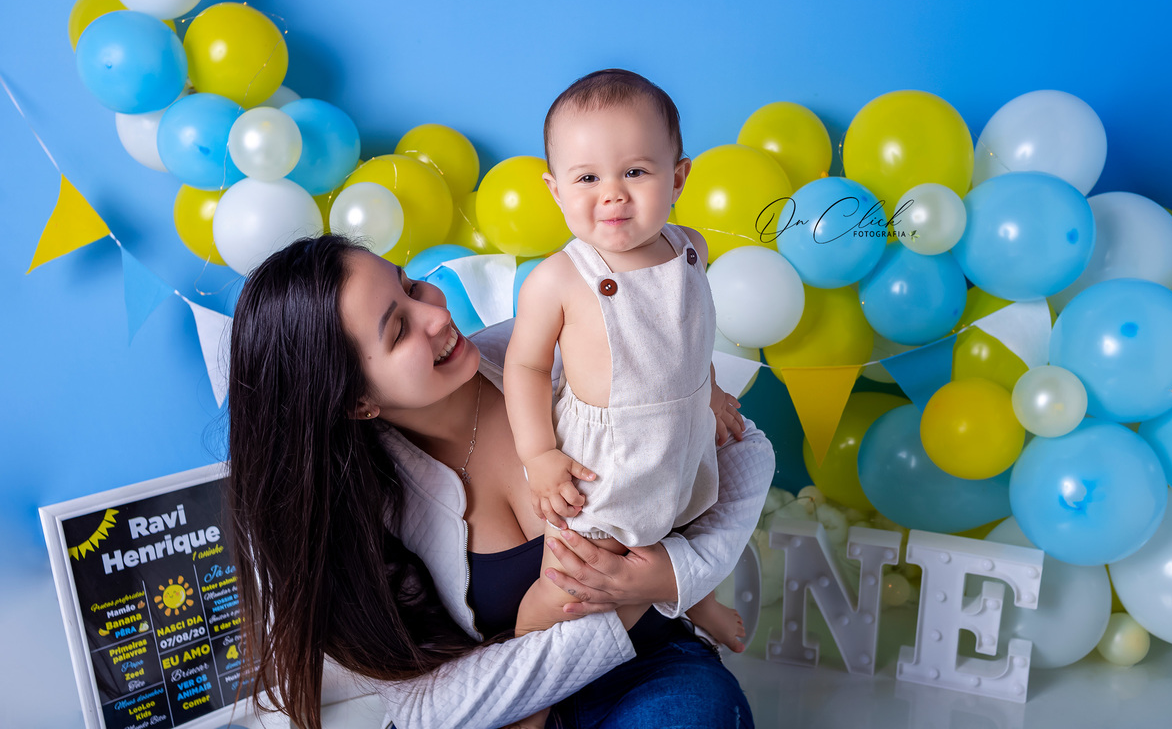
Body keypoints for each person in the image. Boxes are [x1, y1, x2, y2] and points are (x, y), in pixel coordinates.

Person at [226, 233, 774, 729]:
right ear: (357, 402)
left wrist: (676, 574)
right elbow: (425, 710)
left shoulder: (554, 348)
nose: (435, 315)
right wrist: (544, 639)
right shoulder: (365, 507)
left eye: (412, 285)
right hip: (506, 710)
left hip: (649, 668)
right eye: (399, 330)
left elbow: (746, 451)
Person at [506, 69, 747, 665]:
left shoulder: (691, 248)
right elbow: (526, 368)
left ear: (678, 177)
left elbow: (689, 338)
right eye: (587, 178)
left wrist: (711, 393)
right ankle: (524, 673)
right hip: (603, 462)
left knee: (680, 531)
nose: (612, 194)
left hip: (679, 439)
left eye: (635, 172)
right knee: (570, 581)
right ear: (555, 190)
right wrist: (539, 455)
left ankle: (695, 600)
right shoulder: (559, 279)